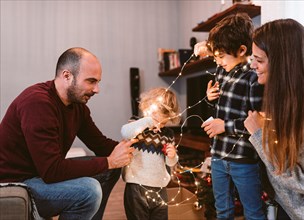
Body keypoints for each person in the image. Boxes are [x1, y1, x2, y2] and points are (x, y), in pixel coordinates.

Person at [0, 47, 137, 220]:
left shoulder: (77, 107)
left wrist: (138, 145)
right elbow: (51, 171)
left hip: (40, 174)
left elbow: (100, 144)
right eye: (91, 81)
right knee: (89, 190)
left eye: (98, 82)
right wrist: (109, 161)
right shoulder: (37, 103)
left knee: (110, 170)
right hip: (17, 182)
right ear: (67, 76)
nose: (97, 89)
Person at [244, 18, 304, 220]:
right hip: (288, 209)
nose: (253, 66)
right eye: (252, 58)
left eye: (260, 60)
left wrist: (258, 135)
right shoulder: (284, 103)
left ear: (283, 64)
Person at [194, 13, 266, 219]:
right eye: (215, 56)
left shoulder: (253, 78)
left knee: (252, 211)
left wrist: (225, 126)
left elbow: (257, 122)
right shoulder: (222, 71)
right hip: (218, 155)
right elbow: (218, 109)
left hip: (243, 159)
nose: (217, 60)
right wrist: (210, 98)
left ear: (242, 50)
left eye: (221, 56)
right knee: (222, 210)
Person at [120, 87, 180, 220]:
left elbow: (170, 163)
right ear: (149, 109)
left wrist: (172, 156)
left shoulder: (168, 134)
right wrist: (148, 122)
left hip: (160, 188)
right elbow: (125, 132)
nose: (160, 125)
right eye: (157, 120)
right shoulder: (137, 124)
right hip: (136, 186)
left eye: (164, 122)